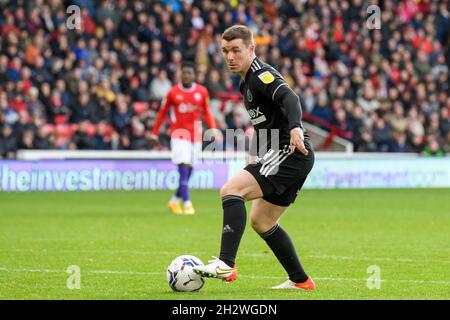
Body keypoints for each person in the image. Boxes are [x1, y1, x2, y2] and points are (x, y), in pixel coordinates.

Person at [193, 25, 316, 290]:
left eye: (236, 50)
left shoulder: (261, 75)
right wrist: (252, 157)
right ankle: (301, 281)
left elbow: (290, 96)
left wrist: (295, 127)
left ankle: (226, 264)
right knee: (262, 221)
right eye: (225, 51)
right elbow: (263, 125)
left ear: (251, 49)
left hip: (289, 151)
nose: (229, 57)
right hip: (284, 152)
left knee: (231, 190)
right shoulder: (244, 81)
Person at [150, 61, 217, 215]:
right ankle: (187, 204)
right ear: (180, 74)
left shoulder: (202, 91)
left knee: (190, 169)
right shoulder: (173, 92)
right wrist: (154, 132)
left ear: (194, 75)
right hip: (179, 135)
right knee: (183, 166)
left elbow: (206, 111)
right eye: (184, 72)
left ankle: (174, 201)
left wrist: (213, 128)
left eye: (189, 73)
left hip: (196, 135)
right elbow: (162, 113)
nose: (186, 75)